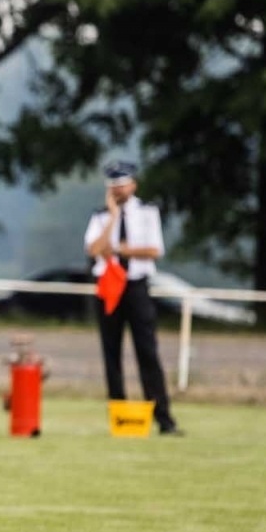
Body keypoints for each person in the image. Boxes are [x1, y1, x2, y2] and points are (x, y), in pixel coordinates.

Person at [85, 161, 180, 435]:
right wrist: (113, 218)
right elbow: (94, 249)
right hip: (108, 285)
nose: (117, 190)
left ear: (133, 185)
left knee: (147, 351)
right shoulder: (100, 216)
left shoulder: (148, 212)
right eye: (113, 186)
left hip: (136, 285)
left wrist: (122, 251)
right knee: (111, 352)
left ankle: (163, 418)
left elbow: (154, 250)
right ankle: (119, 416)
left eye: (122, 185)